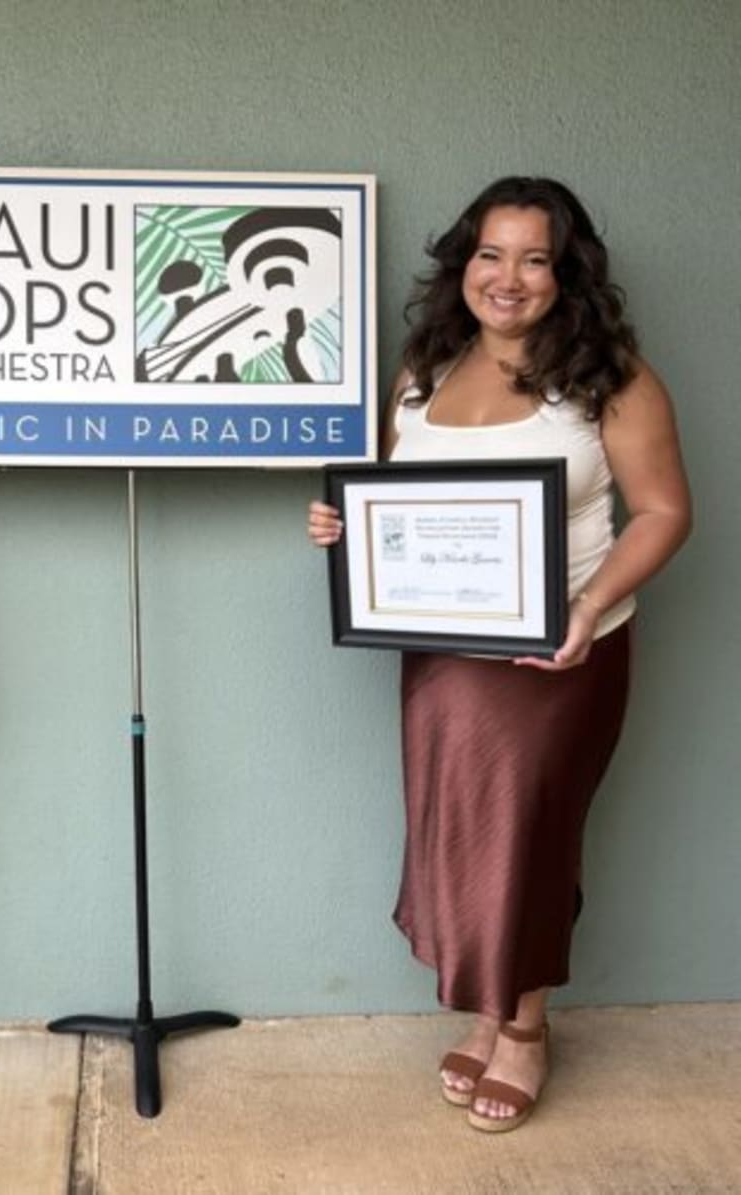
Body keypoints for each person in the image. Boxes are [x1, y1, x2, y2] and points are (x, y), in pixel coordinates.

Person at [307, 177, 691, 1132]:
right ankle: (488, 1009)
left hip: (561, 653)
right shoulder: (423, 370)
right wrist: (340, 524)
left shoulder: (612, 378)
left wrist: (592, 602)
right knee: (459, 832)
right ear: (462, 264)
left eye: (534, 258)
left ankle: (524, 1029)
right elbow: (391, 502)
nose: (507, 278)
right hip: (441, 652)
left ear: (568, 274)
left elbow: (667, 512)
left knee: (528, 833)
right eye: (490, 254)